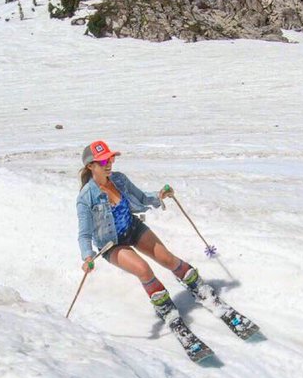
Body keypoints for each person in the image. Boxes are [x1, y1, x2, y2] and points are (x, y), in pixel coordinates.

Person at [75, 138, 218, 329]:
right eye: (103, 161)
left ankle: (198, 286)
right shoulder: (85, 198)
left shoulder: (119, 179)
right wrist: (87, 257)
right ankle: (166, 309)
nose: (108, 164)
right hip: (112, 244)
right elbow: (84, 234)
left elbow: (141, 197)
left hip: (133, 228)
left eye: (110, 159)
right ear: (91, 165)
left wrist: (159, 195)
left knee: (167, 258)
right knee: (143, 270)